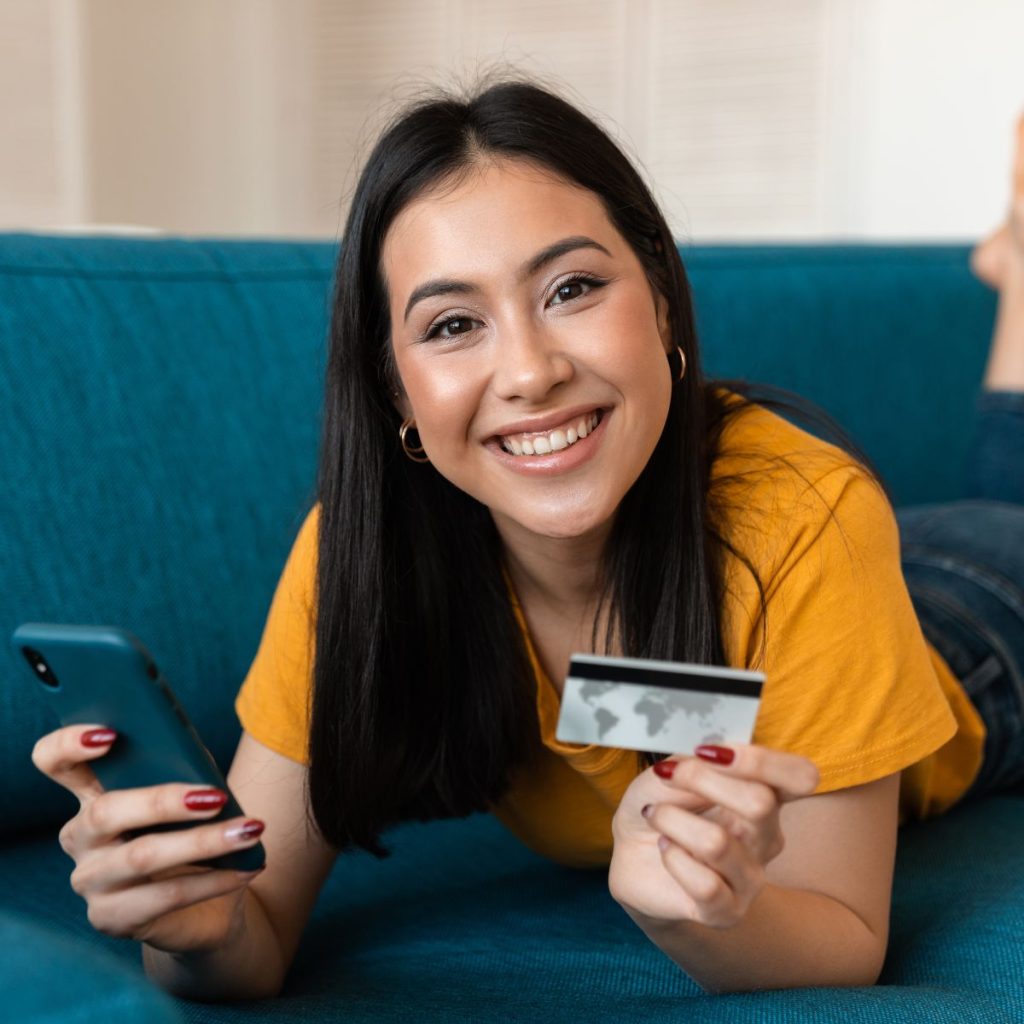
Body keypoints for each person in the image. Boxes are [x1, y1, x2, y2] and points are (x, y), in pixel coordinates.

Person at [29, 79, 1024, 999]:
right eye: (454, 325)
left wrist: (700, 921)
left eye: (571, 289)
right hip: (846, 582)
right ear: (397, 397)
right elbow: (252, 924)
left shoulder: (805, 512)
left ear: (664, 302)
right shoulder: (360, 562)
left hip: (972, 630)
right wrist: (190, 927)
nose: (531, 371)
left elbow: (844, 934)